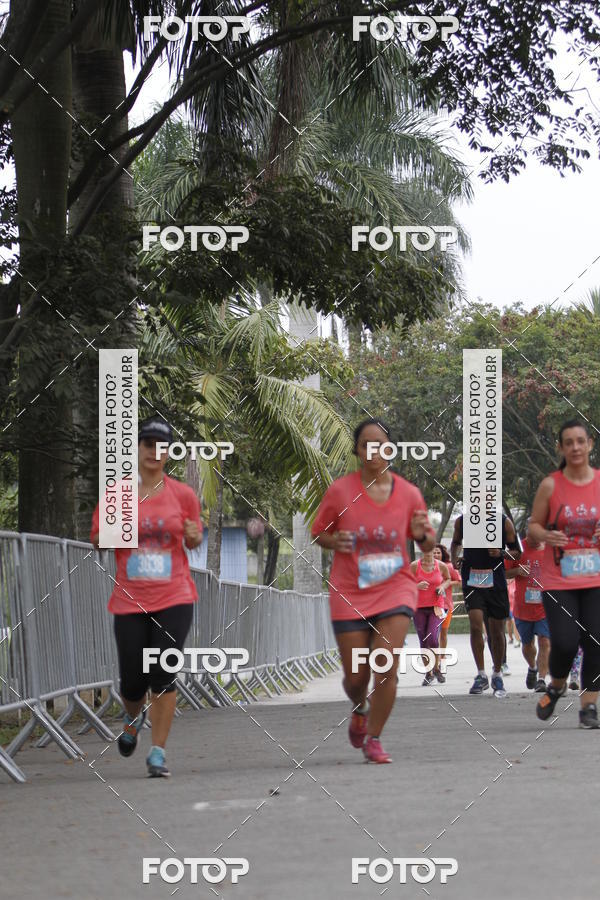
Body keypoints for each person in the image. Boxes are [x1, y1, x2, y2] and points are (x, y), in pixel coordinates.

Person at [312, 418, 436, 763]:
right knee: (355, 677)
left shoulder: (409, 494)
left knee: (385, 666)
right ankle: (360, 706)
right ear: (357, 451)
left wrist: (422, 534)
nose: (373, 450)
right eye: (366, 444)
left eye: (380, 443)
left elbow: (427, 541)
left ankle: (375, 738)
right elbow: (319, 532)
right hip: (350, 590)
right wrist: (336, 540)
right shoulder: (340, 492)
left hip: (394, 588)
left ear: (390, 448)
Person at [91, 417, 203, 776]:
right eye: (148, 444)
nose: (155, 451)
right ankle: (130, 717)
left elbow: (194, 538)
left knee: (163, 674)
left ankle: (158, 752)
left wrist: (193, 533)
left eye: (162, 446)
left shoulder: (182, 495)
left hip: (174, 595)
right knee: (133, 681)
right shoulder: (119, 493)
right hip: (129, 599)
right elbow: (97, 539)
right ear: (137, 449)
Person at [528, 418, 600, 728]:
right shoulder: (551, 485)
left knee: (596, 640)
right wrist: (545, 536)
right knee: (566, 642)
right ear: (560, 447)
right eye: (568, 442)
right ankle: (556, 686)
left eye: (580, 441)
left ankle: (589, 708)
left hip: (595, 576)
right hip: (559, 580)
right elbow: (532, 529)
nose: (575, 447)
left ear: (590, 445)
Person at [451, 513, 521, 697]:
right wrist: (454, 557)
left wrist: (501, 553)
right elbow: (455, 542)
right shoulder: (463, 521)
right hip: (472, 579)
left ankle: (497, 673)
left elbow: (516, 551)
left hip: (495, 580)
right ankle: (481, 674)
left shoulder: (503, 522)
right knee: (475, 625)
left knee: (497, 631)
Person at [505, 534, 549, 692]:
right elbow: (503, 573)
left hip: (545, 606)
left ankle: (542, 680)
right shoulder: (518, 549)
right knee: (527, 644)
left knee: (545, 641)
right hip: (523, 607)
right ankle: (532, 667)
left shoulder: (550, 548)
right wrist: (517, 570)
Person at [409, 549, 451, 685]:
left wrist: (442, 586)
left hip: (436, 607)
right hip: (418, 608)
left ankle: (437, 668)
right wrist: (416, 585)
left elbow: (448, 579)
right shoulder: (415, 566)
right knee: (423, 641)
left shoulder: (441, 566)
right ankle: (428, 673)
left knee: (433, 639)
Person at [434, 544, 461, 672]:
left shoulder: (448, 567)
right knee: (433, 634)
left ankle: (442, 658)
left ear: (442, 554)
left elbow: (459, 581)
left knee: (443, 633)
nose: (435, 555)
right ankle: (434, 662)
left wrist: (446, 583)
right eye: (433, 553)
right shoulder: (427, 567)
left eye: (438, 552)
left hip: (446, 604)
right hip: (431, 606)